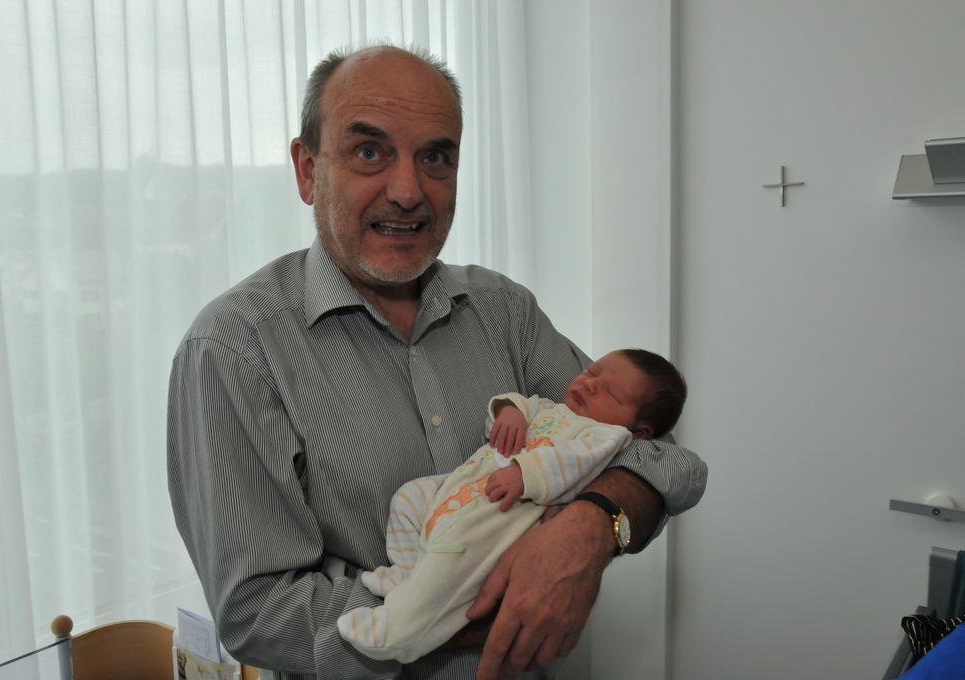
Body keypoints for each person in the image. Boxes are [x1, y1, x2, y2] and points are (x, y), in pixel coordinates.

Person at [167, 43, 707, 680]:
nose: (407, 192)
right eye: (369, 152)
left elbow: (661, 454)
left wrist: (593, 527)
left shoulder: (504, 310)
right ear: (308, 171)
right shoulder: (234, 347)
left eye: (435, 157)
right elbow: (259, 613)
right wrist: (474, 596)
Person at [337, 349, 686, 665]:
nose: (590, 384)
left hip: (505, 512)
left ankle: (399, 631)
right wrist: (509, 413)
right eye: (591, 372)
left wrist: (525, 473)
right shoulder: (549, 407)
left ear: (639, 432)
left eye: (610, 392)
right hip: (465, 486)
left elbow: (574, 461)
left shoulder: (607, 436)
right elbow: (516, 403)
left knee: (452, 558)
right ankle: (406, 572)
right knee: (409, 497)